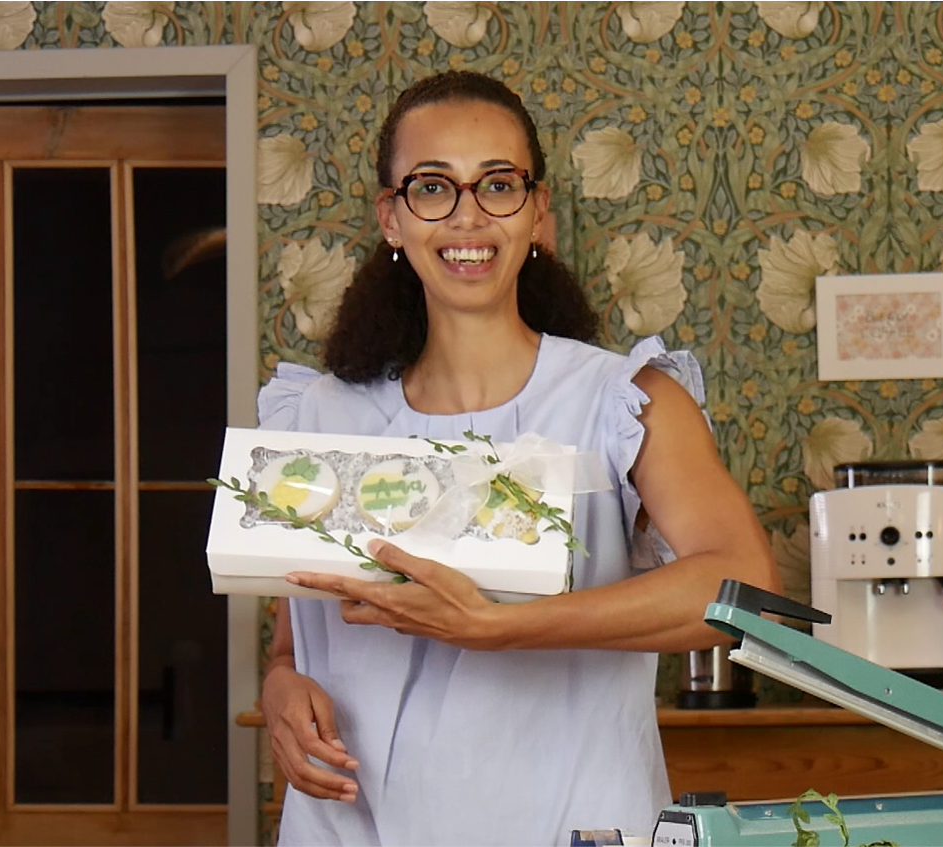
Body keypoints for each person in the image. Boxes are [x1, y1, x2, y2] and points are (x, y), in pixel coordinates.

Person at [257, 70, 779, 847]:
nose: (467, 215)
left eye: (496, 183)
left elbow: (745, 586)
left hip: (573, 821)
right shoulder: (322, 417)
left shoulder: (623, 403)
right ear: (392, 218)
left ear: (537, 212)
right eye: (432, 187)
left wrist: (499, 625)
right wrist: (278, 690)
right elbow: (299, 632)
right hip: (351, 827)